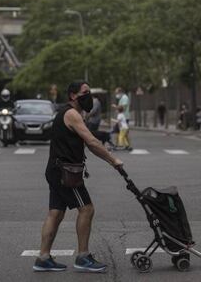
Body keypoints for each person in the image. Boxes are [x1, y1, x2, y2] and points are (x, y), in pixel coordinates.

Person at [34, 81, 123, 273]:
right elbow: (91, 141)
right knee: (87, 209)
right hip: (65, 173)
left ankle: (43, 258)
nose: (89, 95)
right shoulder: (72, 114)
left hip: (56, 170)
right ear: (73, 95)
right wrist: (113, 160)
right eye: (85, 92)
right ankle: (83, 257)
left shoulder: (70, 112)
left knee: (56, 213)